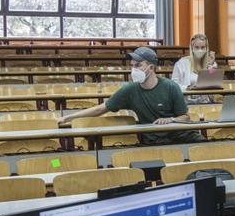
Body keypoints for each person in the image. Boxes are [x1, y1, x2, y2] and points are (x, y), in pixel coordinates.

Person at [58, 47, 203, 146]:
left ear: (151, 68)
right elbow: (100, 109)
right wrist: (67, 117)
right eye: (132, 65)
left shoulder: (171, 87)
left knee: (204, 144)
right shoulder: (129, 90)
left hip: (179, 135)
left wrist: (170, 119)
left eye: (138, 65)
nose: (134, 69)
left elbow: (185, 117)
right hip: (154, 140)